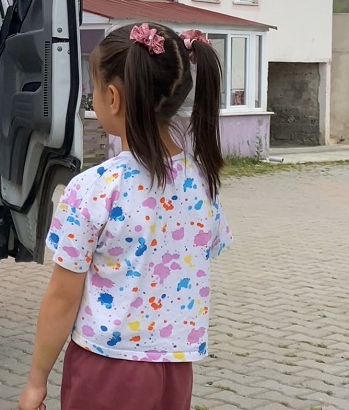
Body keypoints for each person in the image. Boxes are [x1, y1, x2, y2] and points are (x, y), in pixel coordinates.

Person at [18, 23, 233, 410]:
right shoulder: (203, 183)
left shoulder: (93, 189)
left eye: (93, 88)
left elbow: (63, 297)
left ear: (112, 97)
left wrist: (36, 381)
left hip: (106, 369)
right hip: (175, 369)